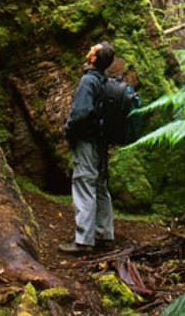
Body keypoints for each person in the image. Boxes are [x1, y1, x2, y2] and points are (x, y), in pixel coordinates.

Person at [59, 41, 116, 253]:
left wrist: (69, 129)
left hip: (86, 140)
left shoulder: (88, 81)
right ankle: (104, 234)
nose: (89, 49)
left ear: (94, 58)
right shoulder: (105, 81)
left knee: (84, 182)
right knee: (100, 184)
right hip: (101, 142)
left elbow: (81, 112)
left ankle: (83, 240)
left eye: (93, 48)